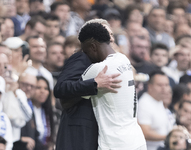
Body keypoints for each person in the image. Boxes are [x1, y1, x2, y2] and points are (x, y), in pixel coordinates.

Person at [54, 19, 122, 150]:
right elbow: (60, 88)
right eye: (105, 35)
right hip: (78, 137)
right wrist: (95, 84)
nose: (110, 39)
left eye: (111, 35)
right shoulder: (81, 57)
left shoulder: (112, 63)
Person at [79, 21, 146, 149]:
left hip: (114, 144)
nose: (85, 56)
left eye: (85, 51)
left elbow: (71, 93)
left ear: (93, 47)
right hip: (137, 140)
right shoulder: (124, 59)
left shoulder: (98, 69)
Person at [138, 70, 172, 150]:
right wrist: (169, 137)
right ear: (150, 86)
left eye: (166, 85)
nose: (164, 88)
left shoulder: (159, 100)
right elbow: (144, 132)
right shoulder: (144, 104)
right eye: (160, 85)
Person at [31, 76, 54, 150]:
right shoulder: (27, 109)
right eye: (38, 87)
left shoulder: (49, 112)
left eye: (46, 88)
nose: (42, 91)